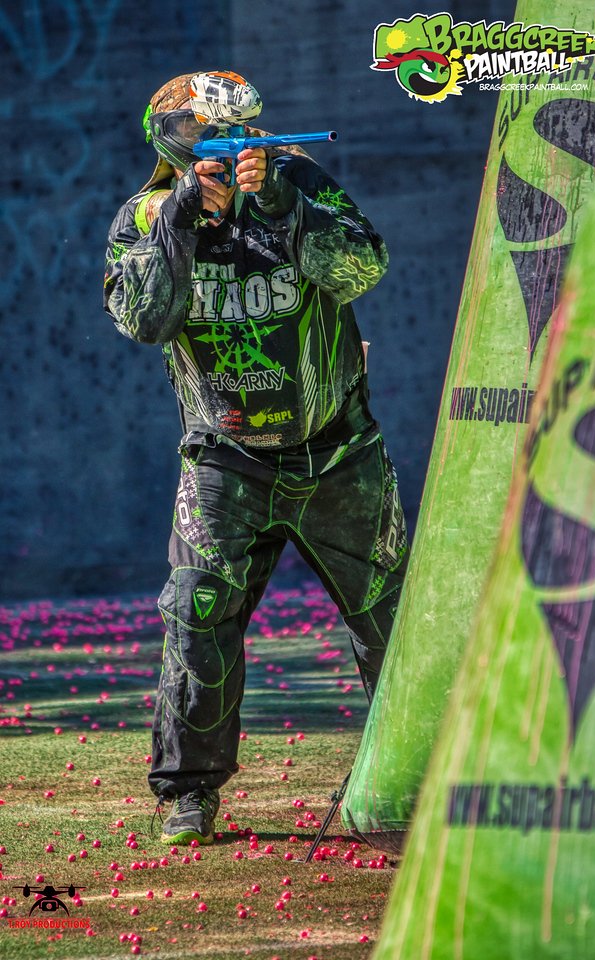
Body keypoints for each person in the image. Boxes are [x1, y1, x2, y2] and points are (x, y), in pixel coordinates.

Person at [103, 70, 409, 846]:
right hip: (224, 461)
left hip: (339, 452)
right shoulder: (144, 214)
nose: (231, 151)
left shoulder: (298, 181)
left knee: (395, 622)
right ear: (174, 141)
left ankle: (419, 780)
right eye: (210, 138)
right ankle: (189, 796)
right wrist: (180, 218)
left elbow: (364, 268)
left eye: (243, 134)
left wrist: (283, 207)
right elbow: (143, 319)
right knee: (197, 618)